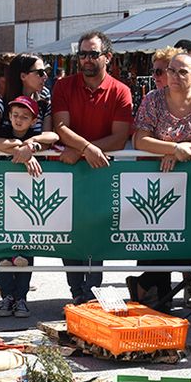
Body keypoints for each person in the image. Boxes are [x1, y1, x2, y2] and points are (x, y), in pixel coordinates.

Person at [129, 51, 191, 308]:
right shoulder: (153, 99)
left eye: (182, 71)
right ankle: (154, 291)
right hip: (159, 178)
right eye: (171, 70)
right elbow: (141, 139)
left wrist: (181, 150)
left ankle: (161, 286)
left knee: (190, 236)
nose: (174, 76)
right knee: (159, 237)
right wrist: (172, 150)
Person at [53, 31, 133, 304]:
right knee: (69, 231)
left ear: (107, 57)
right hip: (70, 167)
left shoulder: (121, 91)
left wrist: (85, 151)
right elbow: (60, 127)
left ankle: (91, 293)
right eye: (82, 54)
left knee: (96, 231)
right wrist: (85, 149)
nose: (86, 59)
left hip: (100, 169)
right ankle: (76, 292)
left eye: (93, 54)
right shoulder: (63, 86)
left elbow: (120, 137)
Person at [0, 95, 57, 317]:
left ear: (34, 119)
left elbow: (53, 135)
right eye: (15, 115)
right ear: (8, 116)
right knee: (4, 250)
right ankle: (7, 296)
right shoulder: (4, 133)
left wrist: (32, 145)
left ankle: (22, 297)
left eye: (25, 117)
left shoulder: (36, 136)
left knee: (25, 251)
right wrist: (22, 150)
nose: (18, 120)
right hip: (3, 198)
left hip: (29, 201)